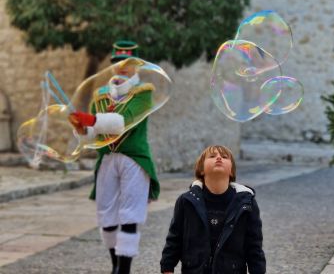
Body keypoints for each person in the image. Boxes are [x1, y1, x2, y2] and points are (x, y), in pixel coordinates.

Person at [68, 40, 159, 274]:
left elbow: (122, 122)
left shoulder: (143, 93)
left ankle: (124, 270)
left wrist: (92, 121)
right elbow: (93, 135)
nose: (122, 67)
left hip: (133, 158)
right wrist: (81, 128)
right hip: (107, 157)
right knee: (105, 214)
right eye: (118, 61)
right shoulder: (100, 95)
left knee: (130, 213)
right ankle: (115, 265)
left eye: (128, 62)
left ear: (137, 65)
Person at [160, 145, 266, 274]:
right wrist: (167, 268)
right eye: (212, 156)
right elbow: (174, 239)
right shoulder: (186, 201)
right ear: (201, 170)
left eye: (224, 157)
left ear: (231, 171)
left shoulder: (246, 204)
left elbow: (254, 246)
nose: (219, 158)